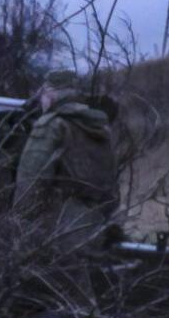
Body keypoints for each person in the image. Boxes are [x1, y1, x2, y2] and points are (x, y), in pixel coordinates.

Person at [13, 68, 119, 246]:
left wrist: (18, 228)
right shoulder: (99, 127)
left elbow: (30, 183)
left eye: (43, 94)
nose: (41, 101)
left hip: (55, 230)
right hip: (93, 226)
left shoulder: (50, 125)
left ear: (51, 95)